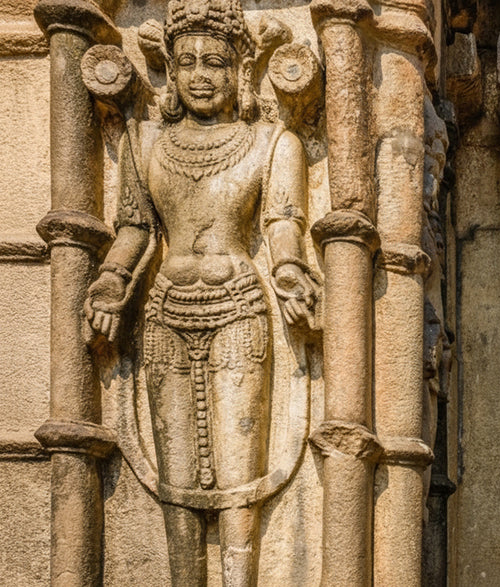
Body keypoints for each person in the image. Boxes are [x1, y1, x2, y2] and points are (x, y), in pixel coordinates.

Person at [84, 0, 316, 584]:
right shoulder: (144, 142)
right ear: (170, 70)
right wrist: (111, 283)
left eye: (214, 62)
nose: (199, 76)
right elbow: (135, 231)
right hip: (166, 311)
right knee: (177, 475)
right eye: (185, 63)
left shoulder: (272, 143)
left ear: (241, 69)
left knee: (239, 473)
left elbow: (282, 227)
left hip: (238, 308)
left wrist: (291, 274)